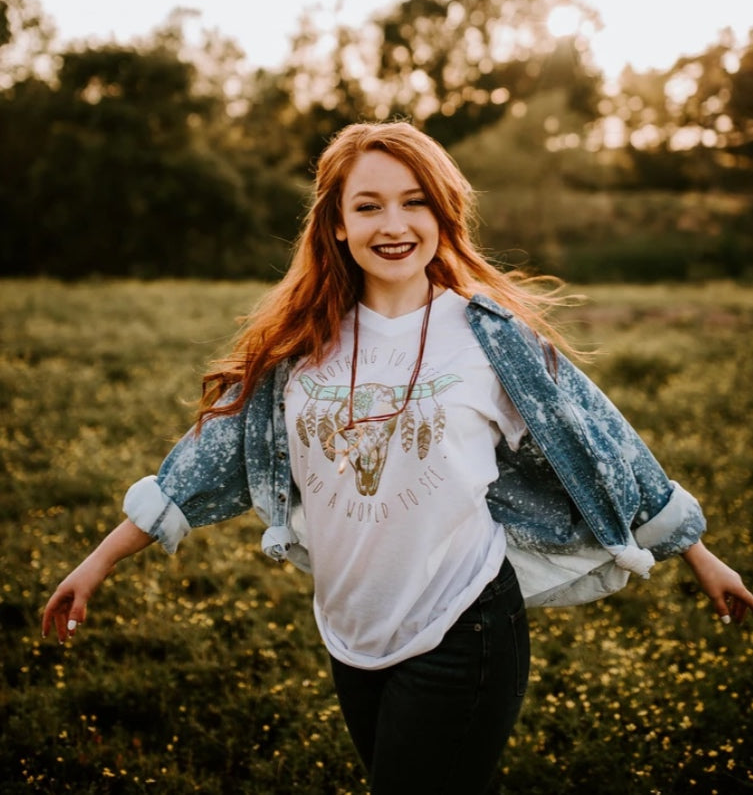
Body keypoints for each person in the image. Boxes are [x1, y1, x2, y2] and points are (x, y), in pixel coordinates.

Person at [43, 120, 753, 795]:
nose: (393, 225)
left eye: (414, 202)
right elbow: (208, 455)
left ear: (441, 215)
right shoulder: (303, 342)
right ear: (338, 223)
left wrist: (695, 552)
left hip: (463, 623)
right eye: (369, 204)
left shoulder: (489, 337)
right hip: (350, 629)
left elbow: (602, 438)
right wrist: (99, 560)